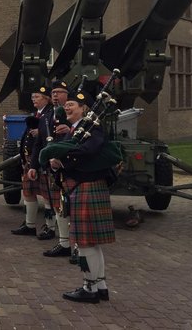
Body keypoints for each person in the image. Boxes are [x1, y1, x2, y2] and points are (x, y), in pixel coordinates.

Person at [48, 90, 115, 304]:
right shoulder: (76, 130)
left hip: (88, 186)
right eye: (66, 104)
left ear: (84, 108)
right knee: (91, 242)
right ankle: (100, 286)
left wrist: (62, 161)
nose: (67, 107)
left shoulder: (92, 128)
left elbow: (89, 151)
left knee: (86, 243)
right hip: (82, 187)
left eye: (72, 105)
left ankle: (89, 287)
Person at [37, 80, 75, 258]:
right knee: (58, 205)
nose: (55, 95)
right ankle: (64, 242)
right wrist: (37, 164)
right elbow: (41, 142)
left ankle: (75, 246)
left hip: (68, 166)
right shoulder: (46, 116)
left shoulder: (73, 117)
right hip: (52, 166)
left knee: (70, 207)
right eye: (53, 92)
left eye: (59, 92)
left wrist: (70, 130)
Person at [11, 86, 54, 239]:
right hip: (31, 160)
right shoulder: (37, 114)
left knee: (48, 195)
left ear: (46, 98)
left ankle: (51, 227)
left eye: (37, 97)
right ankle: (30, 225)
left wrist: (41, 132)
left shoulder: (51, 113)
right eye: (33, 97)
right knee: (28, 192)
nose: (34, 99)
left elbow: (52, 135)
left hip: (44, 161)